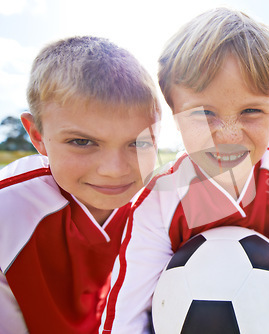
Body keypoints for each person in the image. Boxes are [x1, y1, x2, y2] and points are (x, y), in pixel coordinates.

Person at [100, 7, 269, 334]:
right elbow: (127, 311)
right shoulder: (161, 198)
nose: (228, 135)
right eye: (204, 113)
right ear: (174, 113)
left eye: (251, 111)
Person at [0, 36, 161, 334]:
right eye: (82, 142)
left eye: (138, 143)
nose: (114, 170)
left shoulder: (164, 207)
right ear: (37, 136)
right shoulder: (8, 210)